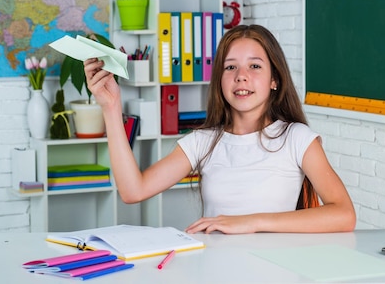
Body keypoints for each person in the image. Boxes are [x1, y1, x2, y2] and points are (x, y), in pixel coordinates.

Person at [83, 24, 356, 234]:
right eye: (230, 67)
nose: (241, 75)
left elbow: (344, 215)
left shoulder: (297, 138)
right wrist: (111, 106)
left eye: (255, 66)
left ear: (275, 79)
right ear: (220, 79)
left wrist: (250, 223)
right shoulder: (202, 141)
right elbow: (133, 191)